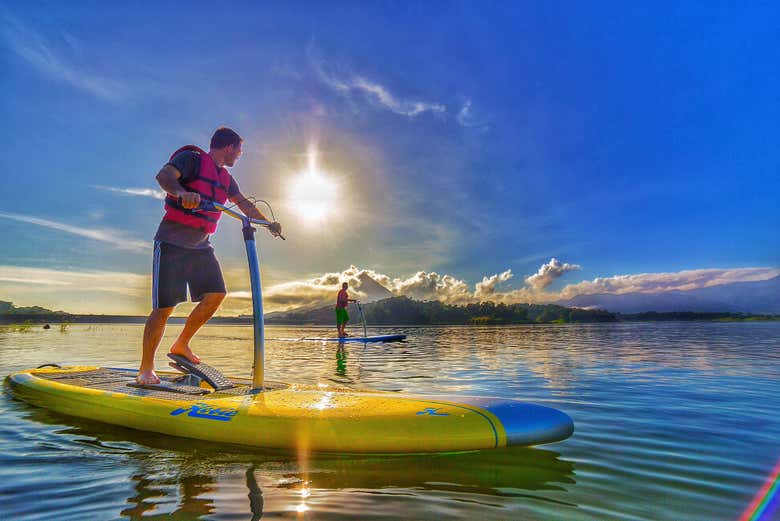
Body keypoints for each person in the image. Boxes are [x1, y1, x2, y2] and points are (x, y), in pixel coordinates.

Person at [136, 127, 282, 385]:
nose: (239, 155)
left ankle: (181, 344)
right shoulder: (192, 159)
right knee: (164, 309)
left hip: (201, 245)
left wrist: (268, 223)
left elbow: (244, 205)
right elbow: (165, 176)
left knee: (216, 294)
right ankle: (146, 369)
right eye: (239, 150)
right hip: (172, 241)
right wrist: (182, 193)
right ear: (229, 148)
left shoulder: (226, 179)